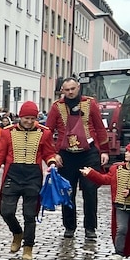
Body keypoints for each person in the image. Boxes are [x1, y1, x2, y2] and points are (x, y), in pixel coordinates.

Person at [0, 101, 58, 260]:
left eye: (32, 118)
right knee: (6, 211)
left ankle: (28, 247)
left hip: (33, 176)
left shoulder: (44, 133)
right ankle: (17, 232)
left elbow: (49, 153)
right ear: (20, 117)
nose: (29, 121)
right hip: (13, 175)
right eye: (26, 118)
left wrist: (52, 163)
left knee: (30, 215)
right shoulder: (7, 132)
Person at [45, 77, 110, 240]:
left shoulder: (90, 103)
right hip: (66, 156)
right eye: (67, 90)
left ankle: (90, 228)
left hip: (88, 154)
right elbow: (47, 132)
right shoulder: (56, 107)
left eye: (73, 89)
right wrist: (54, 154)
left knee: (90, 191)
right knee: (67, 191)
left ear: (78, 87)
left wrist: (104, 151)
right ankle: (69, 226)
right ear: (62, 91)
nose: (70, 92)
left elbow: (100, 128)